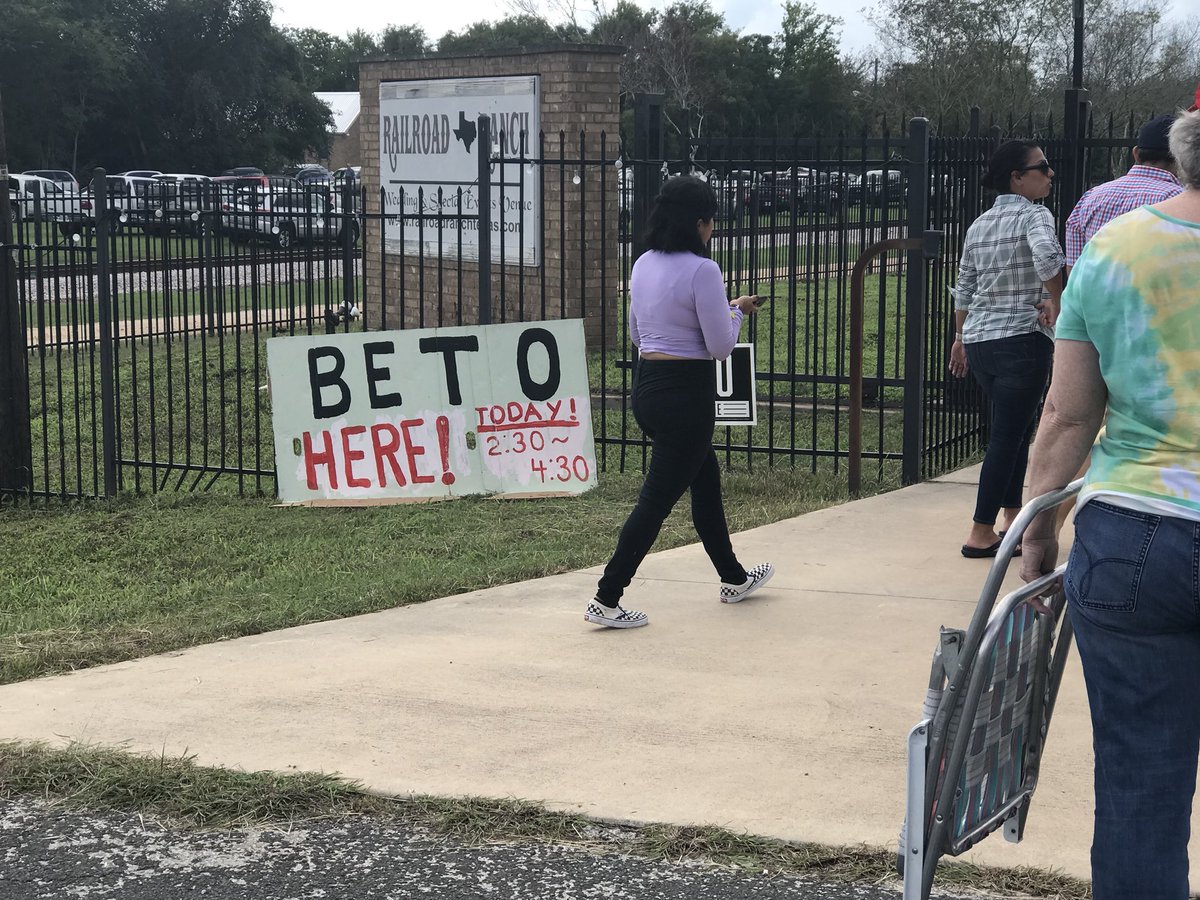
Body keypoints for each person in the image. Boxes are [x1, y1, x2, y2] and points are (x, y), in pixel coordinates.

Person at [1020, 109, 1200, 898]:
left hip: (1134, 535)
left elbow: (1067, 416)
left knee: (1139, 783)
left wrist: (1037, 535)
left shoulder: (1116, 249)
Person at [584, 175, 774, 629]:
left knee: (705, 481)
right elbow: (721, 346)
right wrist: (736, 311)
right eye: (711, 221)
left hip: (648, 387)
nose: (712, 229)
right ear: (700, 222)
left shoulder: (643, 263)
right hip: (686, 396)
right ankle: (606, 598)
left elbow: (637, 334)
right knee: (655, 502)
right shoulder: (703, 270)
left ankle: (734, 578)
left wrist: (723, 309)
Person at [948, 141, 1064, 558]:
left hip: (981, 342)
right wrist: (1058, 301)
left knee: (1014, 430)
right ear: (1017, 177)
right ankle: (980, 533)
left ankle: (1011, 518)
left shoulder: (979, 224)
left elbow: (965, 285)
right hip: (1022, 339)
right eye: (1042, 167)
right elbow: (1048, 258)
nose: (1050, 174)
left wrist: (960, 338)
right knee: (1007, 435)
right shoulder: (1036, 214)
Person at [1064, 113, 1181, 273]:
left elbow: (1074, 271)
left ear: (1136, 153)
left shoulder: (1091, 197)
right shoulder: (1179, 201)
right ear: (1182, 157)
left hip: (1095, 288)